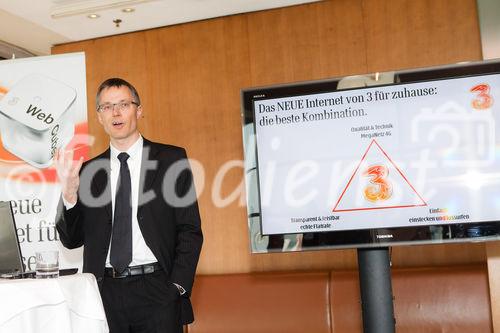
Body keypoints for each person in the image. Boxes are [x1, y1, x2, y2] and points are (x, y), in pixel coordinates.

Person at [55, 78, 203, 333]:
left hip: (158, 290)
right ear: (100, 117)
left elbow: (190, 229)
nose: (116, 112)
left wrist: (176, 286)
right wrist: (69, 194)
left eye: (124, 104)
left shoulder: (171, 159)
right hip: (105, 293)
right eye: (107, 107)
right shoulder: (88, 171)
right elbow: (71, 240)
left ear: (139, 110)